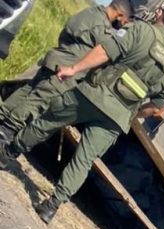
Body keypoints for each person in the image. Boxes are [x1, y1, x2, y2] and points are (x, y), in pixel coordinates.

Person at [0, 1, 164, 224]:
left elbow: (105, 51)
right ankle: (51, 206)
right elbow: (155, 107)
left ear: (160, 14)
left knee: (48, 120)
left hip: (93, 94)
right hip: (118, 117)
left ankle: (9, 152)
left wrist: (74, 69)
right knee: (84, 160)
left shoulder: (141, 30)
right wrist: (131, 114)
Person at [0, 0, 134, 139]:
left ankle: (3, 114)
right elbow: (108, 50)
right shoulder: (103, 28)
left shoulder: (90, 13)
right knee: (38, 101)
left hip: (56, 59)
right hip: (65, 71)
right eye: (124, 21)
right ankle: (7, 129)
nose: (123, 25)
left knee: (27, 91)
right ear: (119, 14)